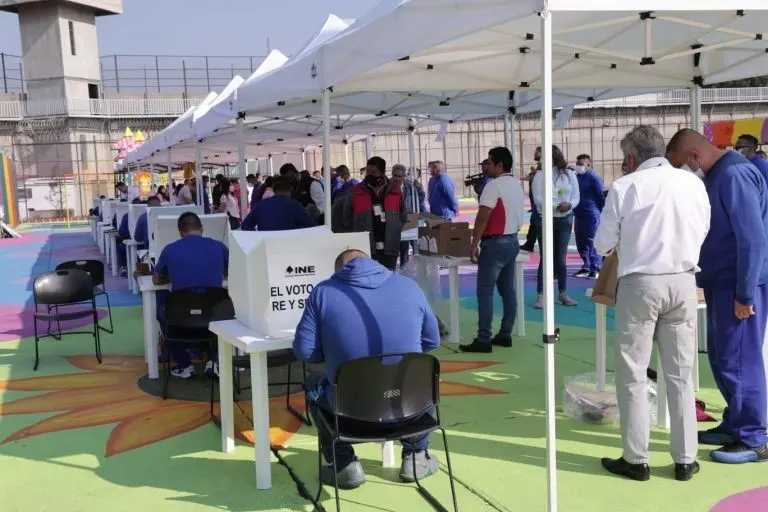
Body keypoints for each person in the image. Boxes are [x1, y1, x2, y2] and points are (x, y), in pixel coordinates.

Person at [595, 125, 710, 482]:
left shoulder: (626, 186)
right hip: (683, 281)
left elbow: (602, 243)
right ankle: (685, 458)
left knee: (631, 373)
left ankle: (636, 457)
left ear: (631, 158)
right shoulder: (693, 183)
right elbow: (703, 227)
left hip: (641, 282)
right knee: (680, 375)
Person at [294, 249, 441, 488]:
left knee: (315, 383)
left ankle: (343, 464)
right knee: (420, 379)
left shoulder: (323, 292)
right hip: (409, 409)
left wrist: (333, 351)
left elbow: (304, 351)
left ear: (339, 270)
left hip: (350, 413)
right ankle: (415, 456)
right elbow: (432, 341)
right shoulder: (409, 286)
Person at [667, 128, 768, 464]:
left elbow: (752, 238)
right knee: (723, 357)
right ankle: (736, 423)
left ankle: (754, 437)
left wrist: (745, 294)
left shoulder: (735, 174)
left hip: (739, 286)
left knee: (739, 359)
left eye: (682, 165)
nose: (685, 172)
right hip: (722, 282)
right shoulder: (718, 174)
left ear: (694, 156)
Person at [460, 147, 525, 354]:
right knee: (508, 290)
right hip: (512, 241)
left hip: (494, 243)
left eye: (489, 162)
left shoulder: (493, 186)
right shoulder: (516, 185)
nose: (485, 166)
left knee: (485, 292)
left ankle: (483, 338)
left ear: (500, 165)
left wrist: (473, 244)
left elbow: (482, 217)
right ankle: (505, 333)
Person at [152, 212, 229, 379]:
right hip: (213, 315)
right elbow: (232, 271)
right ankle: (213, 361)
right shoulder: (219, 246)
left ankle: (184, 364)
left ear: (180, 232)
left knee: (160, 304)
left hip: (181, 317)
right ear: (202, 228)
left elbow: (157, 279)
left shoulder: (169, 249)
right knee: (224, 304)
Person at [531, 145, 579, 308]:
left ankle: (563, 293)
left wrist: (569, 205)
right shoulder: (539, 175)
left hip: (565, 219)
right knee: (546, 257)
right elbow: (538, 198)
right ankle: (541, 295)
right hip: (545, 219)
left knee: (561, 259)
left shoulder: (570, 174)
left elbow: (576, 197)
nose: (542, 158)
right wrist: (555, 206)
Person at [342, 157, 407, 271]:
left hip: (389, 246)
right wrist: (358, 229)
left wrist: (394, 229)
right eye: (368, 171)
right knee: (367, 278)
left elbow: (402, 215)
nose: (370, 174)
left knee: (388, 278)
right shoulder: (356, 191)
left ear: (382, 172)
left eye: (374, 172)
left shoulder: (395, 191)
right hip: (365, 246)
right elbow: (346, 217)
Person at [241, 177, 316, 231]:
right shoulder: (295, 205)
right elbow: (311, 226)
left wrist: (259, 236)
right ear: (291, 189)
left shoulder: (260, 205)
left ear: (273, 189)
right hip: (290, 248)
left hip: (267, 248)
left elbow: (245, 226)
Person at [572, 154, 605, 279]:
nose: (578, 166)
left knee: (593, 242)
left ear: (588, 165)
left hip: (591, 215)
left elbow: (601, 196)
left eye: (581, 164)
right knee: (581, 242)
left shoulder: (594, 177)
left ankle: (595, 268)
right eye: (577, 164)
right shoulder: (577, 177)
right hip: (579, 214)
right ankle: (586, 266)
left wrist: (600, 211)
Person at [391, 164, 425, 266]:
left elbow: (420, 199)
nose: (397, 178)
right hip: (392, 221)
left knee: (405, 247)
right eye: (395, 175)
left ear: (404, 175)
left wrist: (419, 189)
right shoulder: (387, 186)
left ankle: (404, 269)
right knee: (392, 249)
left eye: (400, 176)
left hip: (406, 221)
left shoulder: (409, 185)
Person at [519, 147, 541, 253]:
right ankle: (529, 243)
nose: (534, 154)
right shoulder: (540, 165)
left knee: (535, 221)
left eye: (536, 152)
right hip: (535, 200)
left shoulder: (543, 165)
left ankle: (530, 243)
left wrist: (523, 178)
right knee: (534, 221)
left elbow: (536, 177)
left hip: (539, 202)